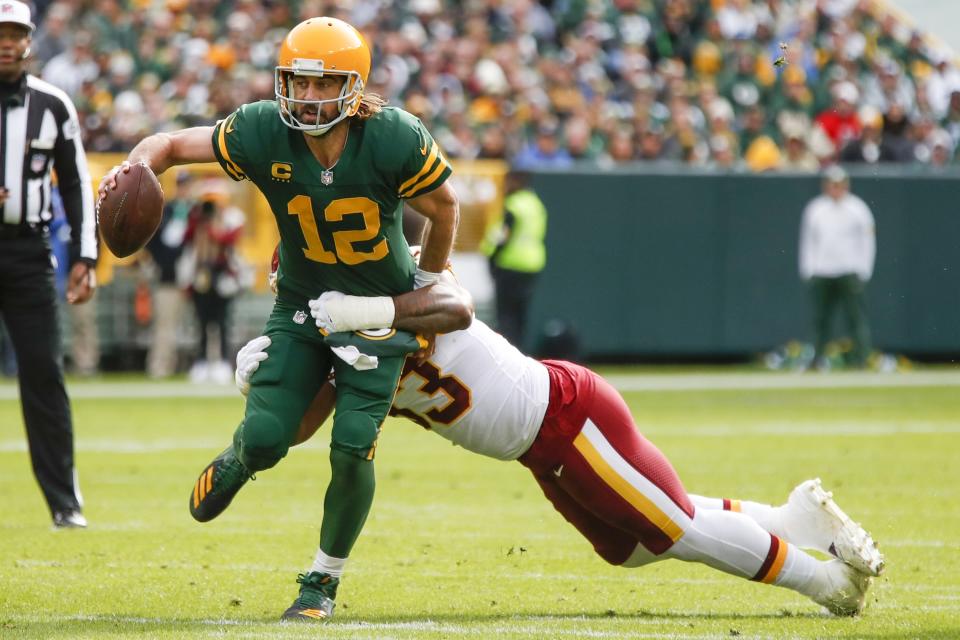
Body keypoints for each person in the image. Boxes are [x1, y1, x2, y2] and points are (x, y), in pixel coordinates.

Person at [219, 263, 884, 621]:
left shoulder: (401, 288)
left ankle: (824, 583)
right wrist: (267, 386)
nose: (294, 303)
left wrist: (365, 317)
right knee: (628, 552)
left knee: (673, 527)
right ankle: (792, 519)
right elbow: (303, 426)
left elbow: (452, 302)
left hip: (564, 415)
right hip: (537, 449)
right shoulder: (333, 354)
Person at [98, 16, 459, 618]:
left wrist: (423, 287)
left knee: (351, 448)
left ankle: (320, 584)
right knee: (268, 437)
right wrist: (134, 166)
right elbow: (167, 146)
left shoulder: (394, 136)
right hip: (301, 302)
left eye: (325, 85)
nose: (309, 98)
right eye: (298, 83)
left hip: (377, 313)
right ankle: (242, 457)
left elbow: (445, 207)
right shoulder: (263, 129)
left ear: (355, 85)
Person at [0, 0, 98, 528]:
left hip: (27, 251)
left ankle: (64, 500)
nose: (7, 42)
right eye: (0, 33)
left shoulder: (53, 104)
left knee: (43, 374)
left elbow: (77, 182)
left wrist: (85, 255)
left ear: (30, 39)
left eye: (15, 33)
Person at [799, 166, 876, 369]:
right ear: (826, 186)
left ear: (846, 185)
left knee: (856, 318)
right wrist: (808, 269)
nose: (835, 189)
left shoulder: (858, 209)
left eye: (839, 185)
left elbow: (868, 242)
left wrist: (864, 270)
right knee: (820, 319)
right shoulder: (815, 209)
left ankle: (861, 359)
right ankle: (816, 360)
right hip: (823, 271)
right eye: (832, 185)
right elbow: (808, 241)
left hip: (849, 270)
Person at [180, 193, 244, 384]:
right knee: (201, 323)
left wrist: (212, 225)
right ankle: (201, 362)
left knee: (223, 322)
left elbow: (228, 239)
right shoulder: (197, 224)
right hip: (201, 275)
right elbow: (186, 238)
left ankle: (223, 362)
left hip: (221, 275)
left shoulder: (229, 220)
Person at [480, 168, 548, 348]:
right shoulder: (536, 204)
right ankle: (521, 352)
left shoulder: (513, 205)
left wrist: (492, 258)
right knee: (520, 315)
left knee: (506, 315)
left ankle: (508, 353)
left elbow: (503, 236)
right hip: (532, 264)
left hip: (510, 264)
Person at [143, 172, 190, 379]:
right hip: (169, 277)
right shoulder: (168, 210)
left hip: (195, 278)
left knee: (199, 325)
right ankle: (160, 366)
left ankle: (195, 365)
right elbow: (153, 242)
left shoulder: (196, 210)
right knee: (165, 325)